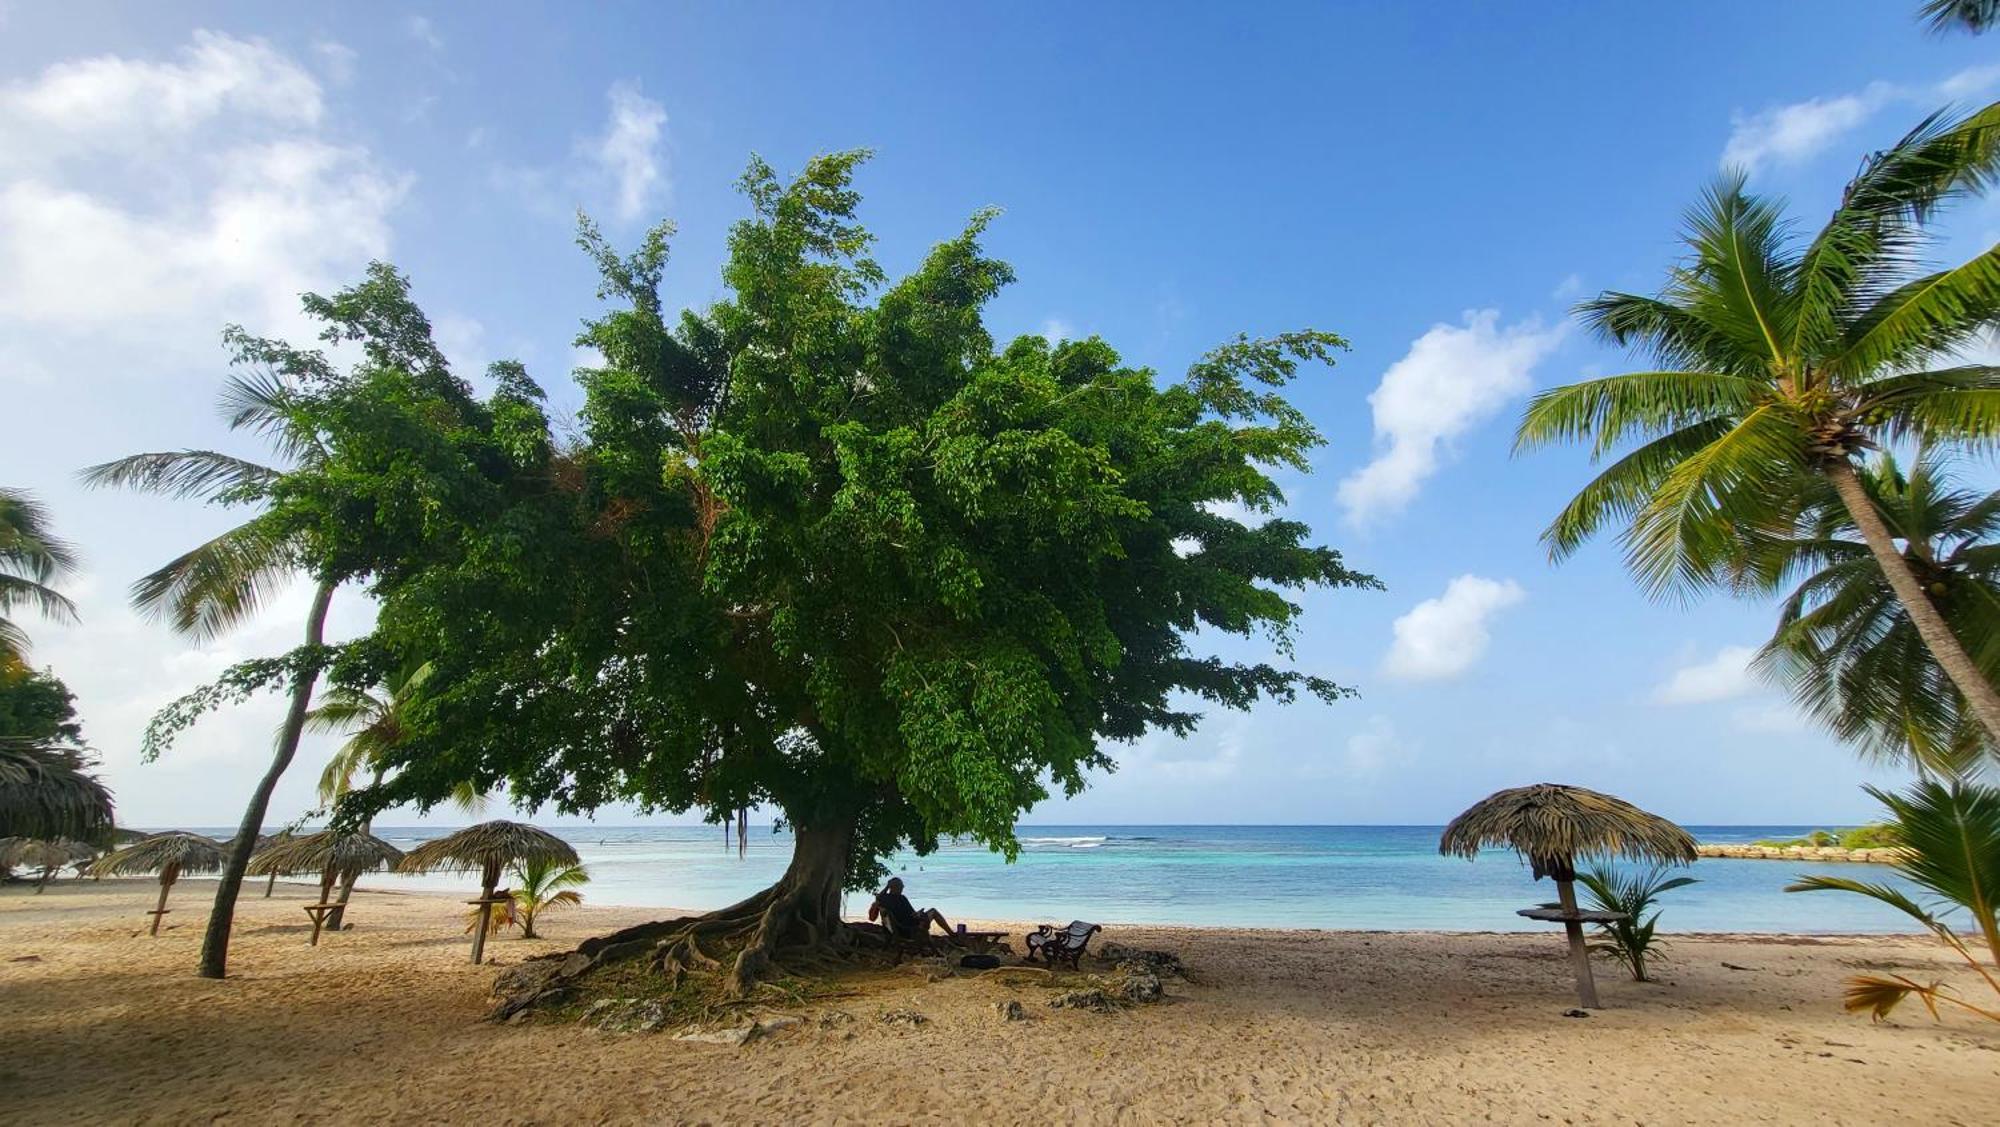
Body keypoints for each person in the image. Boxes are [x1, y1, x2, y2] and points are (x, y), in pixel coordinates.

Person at [866, 876, 957, 941]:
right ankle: (952, 935)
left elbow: (873, 916)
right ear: (897, 887)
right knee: (933, 911)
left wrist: (887, 887)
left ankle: (951, 935)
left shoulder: (883, 900)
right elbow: (913, 915)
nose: (903, 888)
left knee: (925, 915)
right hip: (908, 929)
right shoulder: (902, 898)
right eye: (902, 886)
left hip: (894, 930)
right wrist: (919, 914)